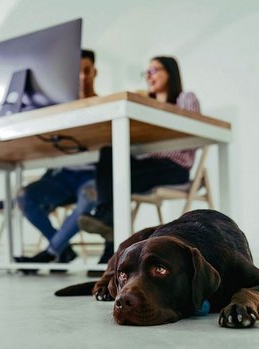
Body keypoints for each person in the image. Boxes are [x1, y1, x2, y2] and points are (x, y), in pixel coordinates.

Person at [79, 56, 201, 269]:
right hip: (150, 164)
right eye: (146, 72)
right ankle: (106, 220)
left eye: (154, 70)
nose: (148, 75)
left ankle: (106, 227)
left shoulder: (185, 97)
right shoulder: (147, 104)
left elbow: (187, 127)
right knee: (109, 154)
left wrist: (150, 107)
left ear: (170, 72)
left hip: (174, 167)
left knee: (117, 181)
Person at [14, 49, 111, 271]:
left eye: (86, 71)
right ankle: (63, 248)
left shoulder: (106, 105)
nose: (82, 77)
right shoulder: (60, 109)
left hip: (91, 175)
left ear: (94, 72)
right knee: (23, 197)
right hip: (63, 175)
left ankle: (49, 253)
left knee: (88, 198)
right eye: (77, 72)